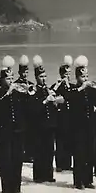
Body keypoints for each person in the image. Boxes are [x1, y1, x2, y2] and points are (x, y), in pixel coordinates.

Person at [0, 56, 27, 193]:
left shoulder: (19, 92)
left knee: (17, 160)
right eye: (8, 79)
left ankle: (16, 188)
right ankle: (5, 188)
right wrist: (7, 93)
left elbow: (25, 108)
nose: (11, 81)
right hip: (4, 132)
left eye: (12, 78)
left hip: (18, 130)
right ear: (2, 80)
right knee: (6, 160)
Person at [65, 55, 96, 190]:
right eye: (83, 77)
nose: (85, 79)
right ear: (77, 77)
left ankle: (88, 179)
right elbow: (69, 98)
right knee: (79, 154)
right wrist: (81, 88)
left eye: (86, 76)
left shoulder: (90, 90)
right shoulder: (74, 89)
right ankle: (78, 181)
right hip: (78, 127)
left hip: (90, 125)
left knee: (90, 152)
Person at [31, 55, 64, 183]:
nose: (44, 79)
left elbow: (52, 107)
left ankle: (48, 175)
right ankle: (38, 176)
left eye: (45, 76)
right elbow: (33, 108)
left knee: (49, 150)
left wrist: (55, 101)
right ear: (36, 78)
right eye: (41, 77)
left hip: (49, 125)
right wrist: (45, 101)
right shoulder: (33, 91)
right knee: (39, 150)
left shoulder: (47, 89)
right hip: (39, 125)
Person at [52, 55, 74, 172]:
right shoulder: (57, 86)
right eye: (66, 74)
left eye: (69, 74)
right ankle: (60, 164)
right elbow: (53, 97)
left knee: (69, 140)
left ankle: (67, 163)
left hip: (70, 117)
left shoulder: (72, 86)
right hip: (60, 117)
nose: (68, 76)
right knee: (60, 142)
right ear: (61, 75)